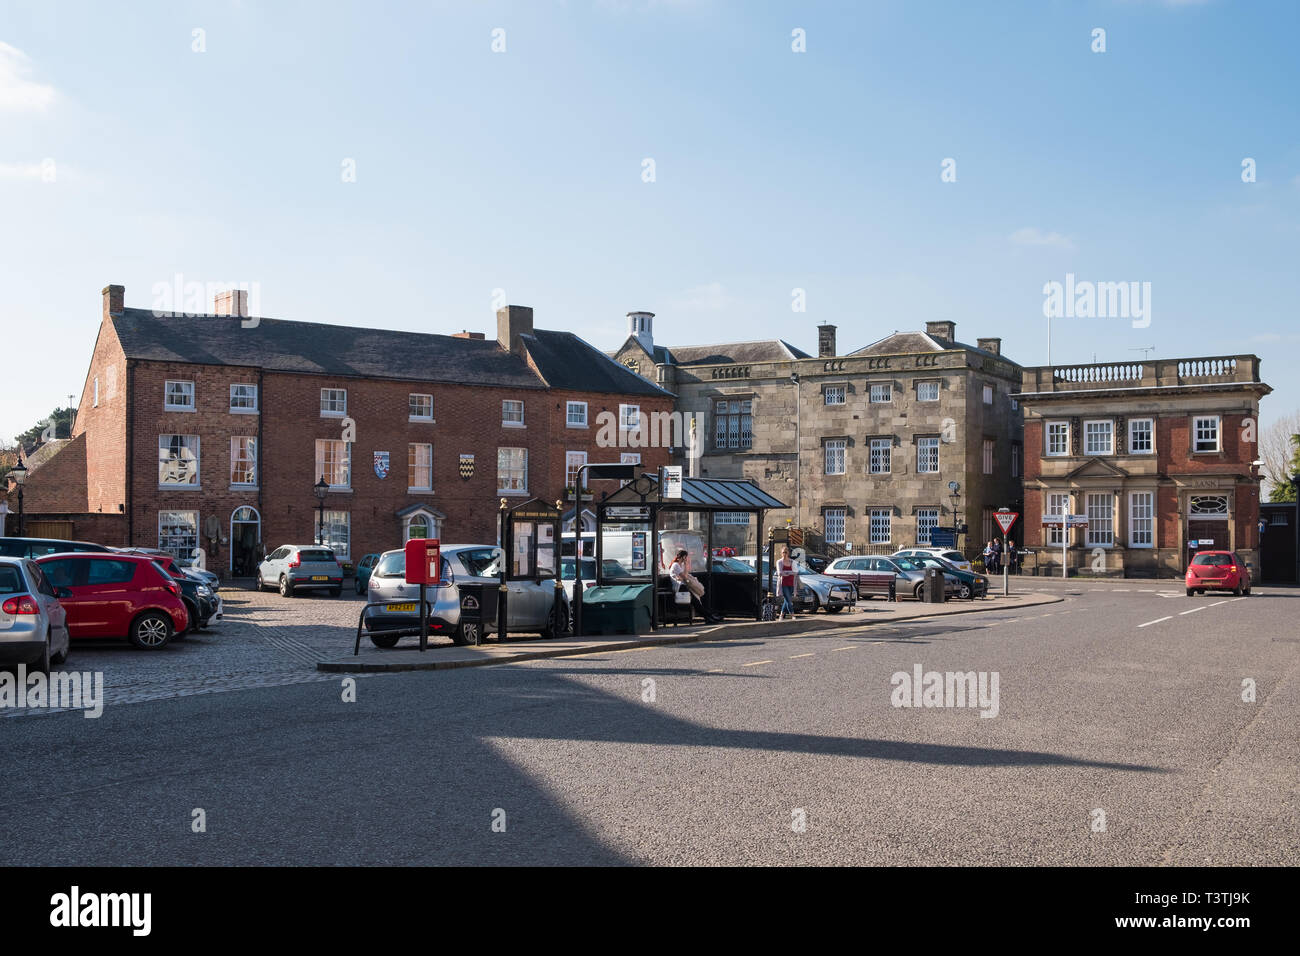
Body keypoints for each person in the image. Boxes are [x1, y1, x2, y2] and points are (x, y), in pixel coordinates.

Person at [668, 548, 721, 624]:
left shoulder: (680, 565)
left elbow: (685, 575)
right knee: (696, 602)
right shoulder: (676, 565)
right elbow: (685, 576)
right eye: (686, 557)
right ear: (683, 557)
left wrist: (685, 566)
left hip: (684, 586)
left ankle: (709, 616)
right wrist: (686, 565)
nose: (687, 559)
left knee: (697, 600)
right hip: (680, 588)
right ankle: (709, 617)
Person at [777, 545, 798, 620]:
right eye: (783, 552)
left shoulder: (792, 562)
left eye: (786, 552)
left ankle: (781, 615)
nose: (784, 554)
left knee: (786, 600)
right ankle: (792, 615)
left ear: (788, 553)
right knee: (789, 599)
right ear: (781, 553)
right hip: (783, 584)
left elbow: (796, 572)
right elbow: (780, 573)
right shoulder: (779, 562)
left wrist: (786, 572)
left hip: (791, 583)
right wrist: (790, 572)